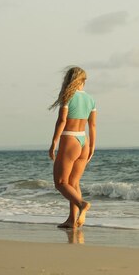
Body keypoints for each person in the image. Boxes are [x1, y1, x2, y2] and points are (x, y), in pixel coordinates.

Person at [48, 66, 97, 228]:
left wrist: (54, 142)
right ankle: (72, 219)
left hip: (70, 138)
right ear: (83, 81)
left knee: (61, 183)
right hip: (85, 140)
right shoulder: (91, 99)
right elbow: (93, 125)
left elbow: (62, 121)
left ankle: (82, 204)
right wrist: (92, 147)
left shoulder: (67, 96)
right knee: (74, 183)